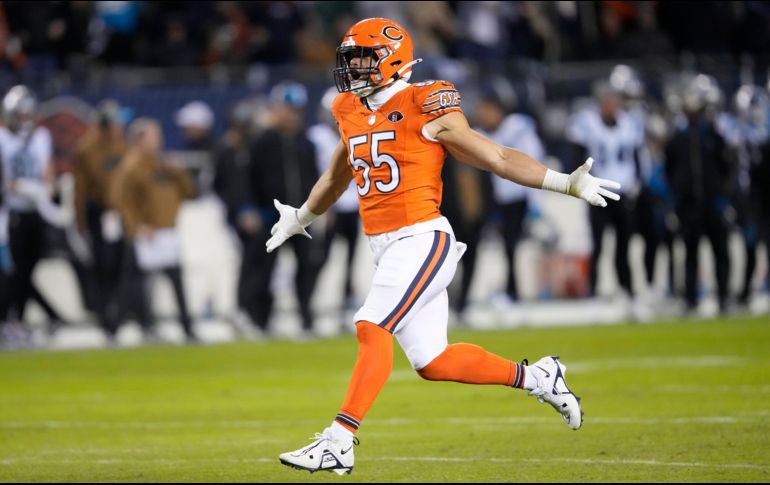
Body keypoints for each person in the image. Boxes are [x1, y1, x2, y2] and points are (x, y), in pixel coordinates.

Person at [270, 18, 621, 475]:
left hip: (421, 237)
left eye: (363, 59)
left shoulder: (424, 100)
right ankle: (540, 377)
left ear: (393, 60)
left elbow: (494, 155)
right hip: (386, 245)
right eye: (350, 59)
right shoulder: (348, 108)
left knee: (370, 325)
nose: (353, 68)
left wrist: (561, 182)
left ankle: (339, 440)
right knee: (432, 361)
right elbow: (341, 172)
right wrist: (302, 216)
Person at [248, 82, 325, 336]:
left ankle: (306, 318)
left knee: (307, 267)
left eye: (296, 110)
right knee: (266, 270)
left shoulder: (306, 141)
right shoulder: (262, 141)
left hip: (302, 216)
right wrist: (254, 209)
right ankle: (261, 321)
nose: (292, 115)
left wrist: (321, 209)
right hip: (271, 217)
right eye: (287, 109)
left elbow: (316, 178)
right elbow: (251, 178)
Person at [111, 118, 197, 342]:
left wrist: (178, 172)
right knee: (132, 284)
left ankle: (186, 328)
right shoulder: (131, 167)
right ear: (139, 140)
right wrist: (137, 226)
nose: (158, 141)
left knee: (174, 281)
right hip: (146, 234)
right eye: (153, 137)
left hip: (166, 233)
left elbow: (189, 191)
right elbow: (122, 202)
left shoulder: (163, 164)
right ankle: (117, 328)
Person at [567, 80, 643, 304]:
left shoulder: (630, 123)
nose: (610, 105)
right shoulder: (586, 123)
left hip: (624, 190)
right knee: (597, 244)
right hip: (597, 190)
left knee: (624, 244)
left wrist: (638, 183)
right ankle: (592, 289)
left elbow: (636, 156)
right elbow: (577, 155)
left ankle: (627, 289)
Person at [665, 74, 734, 314]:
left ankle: (724, 297)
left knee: (720, 251)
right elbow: (670, 168)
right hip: (689, 205)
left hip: (713, 202)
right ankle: (691, 299)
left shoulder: (716, 133)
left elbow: (728, 167)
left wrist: (724, 195)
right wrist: (676, 198)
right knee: (691, 254)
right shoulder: (680, 136)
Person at [0, 85, 66, 335]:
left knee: (27, 270)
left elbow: (48, 171)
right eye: (20, 115)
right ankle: (12, 322)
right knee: (12, 271)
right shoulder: (2, 138)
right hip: (10, 213)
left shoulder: (41, 137)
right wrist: (18, 187)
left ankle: (18, 321)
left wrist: (45, 188)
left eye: (28, 115)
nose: (24, 121)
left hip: (36, 213)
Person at [73, 99, 129, 338]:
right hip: (99, 212)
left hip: (120, 214)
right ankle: (105, 316)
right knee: (102, 266)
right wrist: (81, 221)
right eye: (116, 123)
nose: (120, 127)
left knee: (119, 265)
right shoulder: (87, 149)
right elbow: (81, 188)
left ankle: (117, 314)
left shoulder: (121, 145)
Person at [308, 87, 361, 313]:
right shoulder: (316, 137)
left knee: (351, 259)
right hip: (330, 206)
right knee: (321, 258)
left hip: (354, 204)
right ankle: (308, 301)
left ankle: (346, 302)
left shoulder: (357, 133)